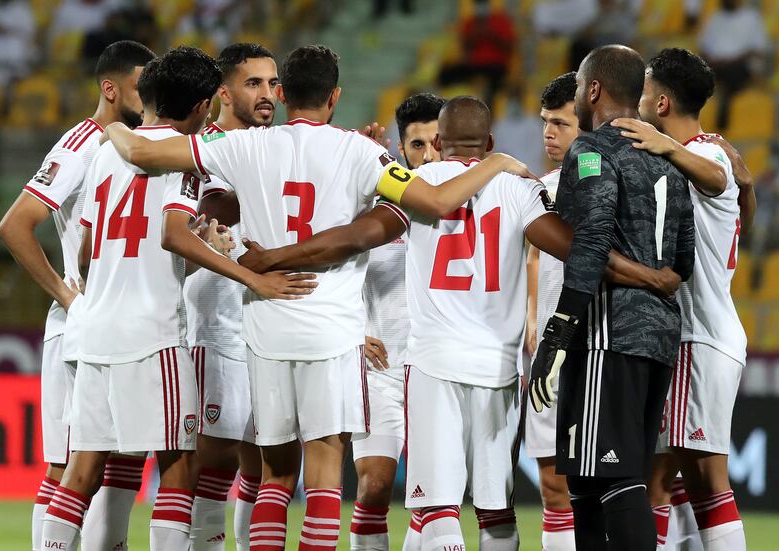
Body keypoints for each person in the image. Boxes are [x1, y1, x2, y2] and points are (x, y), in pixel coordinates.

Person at [101, 44, 531, 551]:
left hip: (265, 329)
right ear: (336, 96)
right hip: (331, 332)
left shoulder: (247, 147)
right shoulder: (359, 152)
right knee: (324, 478)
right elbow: (437, 201)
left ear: (282, 94)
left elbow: (142, 152)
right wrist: (497, 161)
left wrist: (109, 121)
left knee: (274, 477)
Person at [234, 96, 682, 551]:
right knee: (496, 510)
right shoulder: (518, 189)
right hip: (497, 369)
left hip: (432, 364)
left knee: (437, 508)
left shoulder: (414, 185)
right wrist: (651, 276)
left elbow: (353, 238)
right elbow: (584, 253)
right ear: (489, 142)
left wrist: (273, 257)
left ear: (439, 143)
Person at [41, 45, 308, 551]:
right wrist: (247, 274)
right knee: (182, 465)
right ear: (204, 105)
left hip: (94, 327)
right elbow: (171, 235)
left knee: (82, 469)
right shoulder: (187, 161)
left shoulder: (105, 153)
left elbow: (87, 247)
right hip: (153, 332)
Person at [529, 45, 695, 551]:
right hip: (658, 337)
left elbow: (592, 237)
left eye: (579, 88)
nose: (578, 96)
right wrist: (656, 279)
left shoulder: (593, 150)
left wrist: (559, 329)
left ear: (594, 90)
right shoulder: (665, 157)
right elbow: (682, 260)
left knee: (614, 480)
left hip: (608, 335)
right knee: (586, 483)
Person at [0, 40, 155, 551]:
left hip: (113, 326)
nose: (147, 95)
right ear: (110, 89)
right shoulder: (82, 143)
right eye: (139, 86)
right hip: (82, 327)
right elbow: (17, 224)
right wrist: (68, 297)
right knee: (69, 464)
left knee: (109, 460)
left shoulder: (137, 144)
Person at [615, 47, 754, 550]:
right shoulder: (696, 158)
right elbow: (735, 202)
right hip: (701, 335)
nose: (640, 99)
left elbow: (718, 177)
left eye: (646, 90)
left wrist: (665, 146)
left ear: (664, 101)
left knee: (693, 482)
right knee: (672, 479)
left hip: (699, 336)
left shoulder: (708, 152)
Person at [183, 42, 282, 551]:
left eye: (272, 84)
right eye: (253, 84)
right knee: (215, 457)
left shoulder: (278, 146)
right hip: (217, 316)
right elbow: (199, 216)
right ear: (223, 93)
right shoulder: (204, 149)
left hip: (265, 315)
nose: (268, 95)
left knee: (264, 457)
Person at [350, 92, 445, 551]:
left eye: (436, 143)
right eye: (418, 145)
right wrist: (353, 329)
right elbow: (329, 268)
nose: (429, 155)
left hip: (437, 369)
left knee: (431, 497)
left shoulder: (463, 201)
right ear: (401, 151)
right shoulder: (372, 205)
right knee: (373, 488)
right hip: (381, 368)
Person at [525, 71, 580, 551]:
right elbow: (534, 254)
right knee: (552, 486)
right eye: (546, 122)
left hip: (599, 347)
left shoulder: (614, 181)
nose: (549, 133)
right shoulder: (537, 188)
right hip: (548, 349)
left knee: (608, 486)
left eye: (561, 123)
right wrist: (529, 317)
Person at [699, 0, 770, 130]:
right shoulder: (714, 18)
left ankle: (724, 110)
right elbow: (704, 49)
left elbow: (758, 51)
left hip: (741, 66)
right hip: (717, 65)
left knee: (732, 72)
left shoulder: (751, 18)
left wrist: (732, 60)